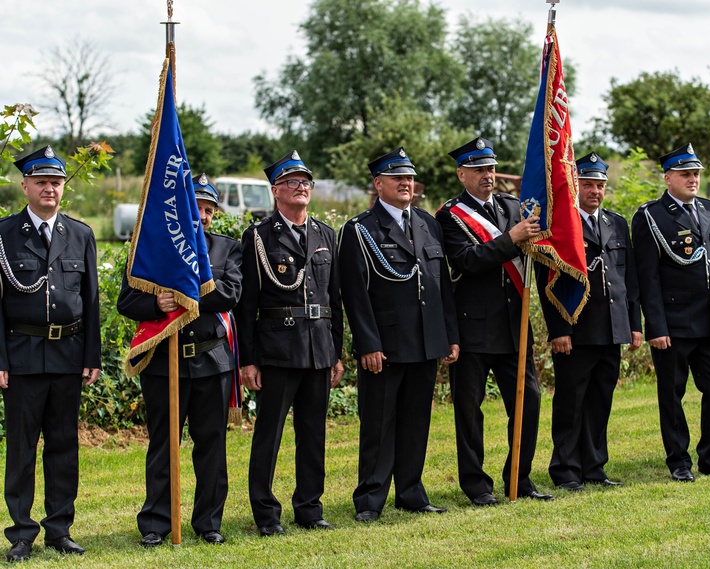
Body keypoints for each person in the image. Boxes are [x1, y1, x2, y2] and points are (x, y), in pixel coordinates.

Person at [118, 174, 242, 546]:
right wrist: (156, 303)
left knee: (211, 445)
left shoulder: (226, 249)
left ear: (214, 214)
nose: (201, 216)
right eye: (194, 208)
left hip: (211, 361)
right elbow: (127, 302)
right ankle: (156, 523)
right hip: (163, 363)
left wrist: (188, 295)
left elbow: (230, 294)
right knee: (163, 445)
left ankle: (208, 523)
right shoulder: (151, 250)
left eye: (207, 209)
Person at [339, 147, 459, 522]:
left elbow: (442, 287)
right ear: (378, 184)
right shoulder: (360, 229)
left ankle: (411, 492)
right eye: (397, 178)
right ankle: (370, 500)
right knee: (378, 424)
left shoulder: (427, 222)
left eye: (409, 178)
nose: (406, 184)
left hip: (425, 341)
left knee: (416, 421)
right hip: (386, 345)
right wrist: (368, 344)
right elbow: (355, 294)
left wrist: (449, 335)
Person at [435, 137, 551, 505]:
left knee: (528, 401)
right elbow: (466, 261)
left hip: (513, 325)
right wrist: (511, 239)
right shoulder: (450, 215)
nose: (488, 175)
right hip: (472, 327)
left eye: (491, 168)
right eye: (479, 169)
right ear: (461, 174)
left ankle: (520, 477)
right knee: (469, 411)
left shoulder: (513, 207)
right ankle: (476, 485)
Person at [235, 151, 343, 534]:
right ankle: (266, 514)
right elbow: (246, 306)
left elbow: (334, 300)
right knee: (269, 436)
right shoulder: (259, 237)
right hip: (277, 351)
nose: (301, 188)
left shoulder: (326, 235)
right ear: (276, 191)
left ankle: (310, 508)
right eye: (293, 182)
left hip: (318, 350)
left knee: (313, 435)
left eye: (305, 182)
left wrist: (336, 353)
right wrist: (248, 360)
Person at [1, 146, 101, 561]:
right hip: (22, 355)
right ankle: (22, 533)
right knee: (22, 448)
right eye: (41, 181)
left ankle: (59, 529)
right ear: (25, 185)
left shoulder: (80, 234)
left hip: (68, 354)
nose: (49, 188)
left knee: (63, 446)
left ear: (64, 188)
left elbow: (92, 301)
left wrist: (91, 356)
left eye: (56, 182)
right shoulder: (3, 234)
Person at [631, 143, 710, 482]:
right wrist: (656, 326)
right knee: (672, 394)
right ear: (668, 178)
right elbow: (647, 278)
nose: (693, 179)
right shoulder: (651, 216)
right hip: (674, 324)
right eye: (685, 174)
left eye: (695, 173)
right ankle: (678, 461)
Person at [536, 152, 642, 491]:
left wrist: (634, 324)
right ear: (575, 184)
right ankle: (566, 469)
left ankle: (594, 466)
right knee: (571, 402)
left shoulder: (616, 223)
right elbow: (547, 280)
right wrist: (559, 329)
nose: (595, 191)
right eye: (588, 184)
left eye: (600, 185)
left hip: (611, 327)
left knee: (600, 401)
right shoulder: (562, 226)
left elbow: (629, 278)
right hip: (577, 328)